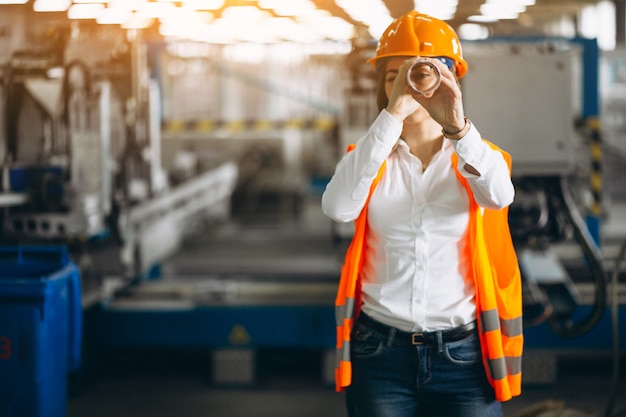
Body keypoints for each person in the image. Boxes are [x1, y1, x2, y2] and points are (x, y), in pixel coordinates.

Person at [321, 11, 523, 417]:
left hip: (464, 355)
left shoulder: (483, 157)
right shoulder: (368, 160)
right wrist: (391, 117)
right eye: (395, 74)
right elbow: (338, 209)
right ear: (382, 84)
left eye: (422, 73)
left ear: (451, 79)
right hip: (380, 354)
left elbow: (498, 197)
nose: (409, 84)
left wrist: (459, 129)